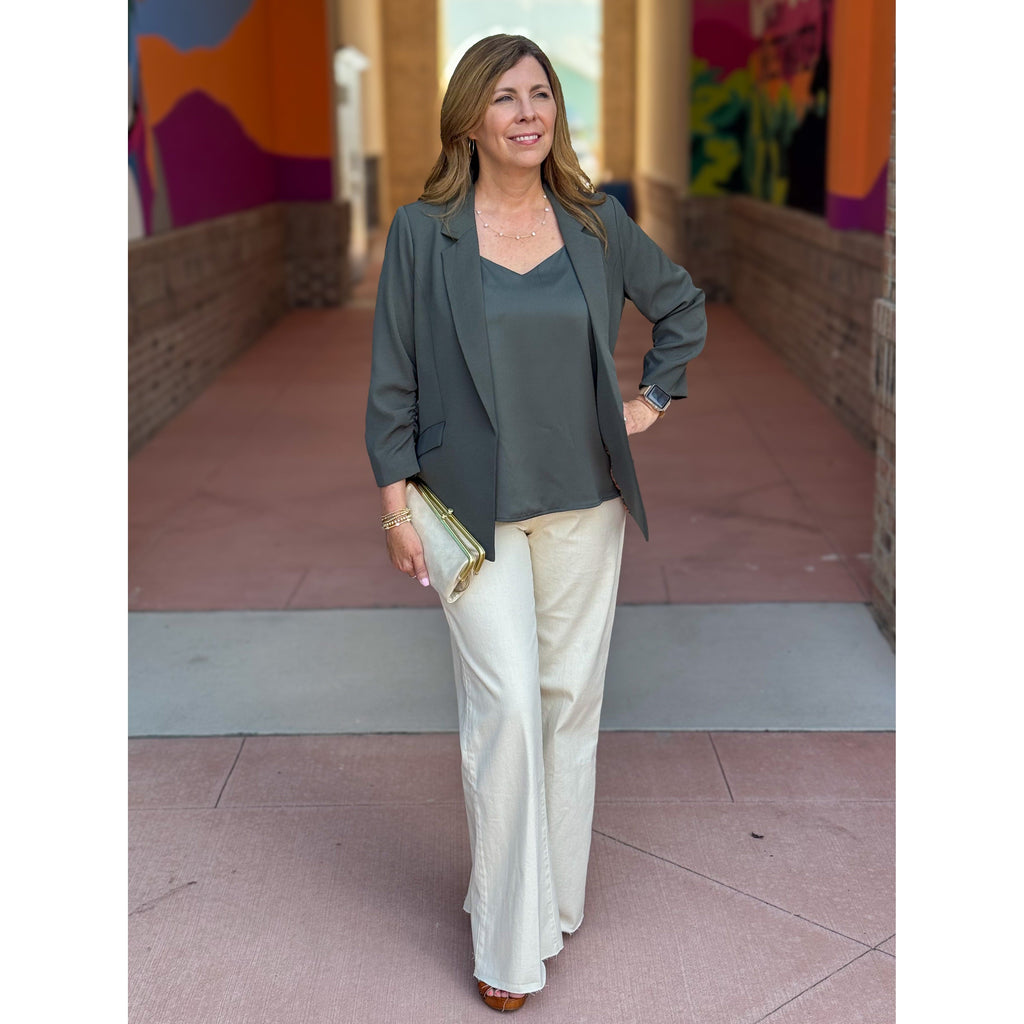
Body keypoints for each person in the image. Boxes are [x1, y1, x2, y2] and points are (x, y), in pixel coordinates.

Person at [365, 34, 706, 1012]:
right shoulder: (423, 232)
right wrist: (394, 503)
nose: (528, 113)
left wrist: (654, 400)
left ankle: (548, 897)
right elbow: (393, 376)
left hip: (583, 504)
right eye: (506, 97)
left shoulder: (596, 222)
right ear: (469, 117)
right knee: (507, 709)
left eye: (541, 95)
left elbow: (679, 308)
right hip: (463, 512)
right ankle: (508, 947)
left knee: (566, 706)